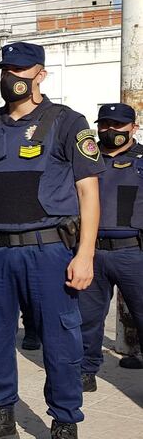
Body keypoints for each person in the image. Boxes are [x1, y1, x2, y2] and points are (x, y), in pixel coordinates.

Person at [0, 41, 102, 439]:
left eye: (21, 71)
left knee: (60, 338)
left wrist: (85, 254)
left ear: (41, 73)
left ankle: (65, 419)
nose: (12, 78)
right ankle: (1, 413)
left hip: (48, 250)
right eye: (7, 70)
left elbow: (89, 192)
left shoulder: (67, 122)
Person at [79, 103, 143, 392]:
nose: (110, 130)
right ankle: (85, 370)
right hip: (92, 253)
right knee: (87, 319)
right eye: (105, 124)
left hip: (134, 253)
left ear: (133, 127)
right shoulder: (86, 161)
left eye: (118, 125)